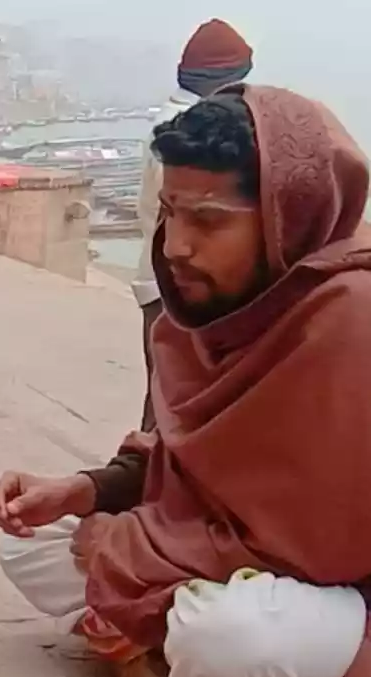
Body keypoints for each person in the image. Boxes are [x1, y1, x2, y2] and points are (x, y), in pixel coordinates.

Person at [0, 86, 371, 677]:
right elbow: (191, 463)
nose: (176, 247)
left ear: (286, 218)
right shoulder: (214, 314)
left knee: (227, 639)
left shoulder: (347, 320)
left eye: (208, 221)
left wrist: (123, 547)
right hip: (234, 558)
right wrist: (83, 492)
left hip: (345, 593)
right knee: (31, 547)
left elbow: (315, 546)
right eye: (168, 214)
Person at [130, 19, 253, 432]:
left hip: (157, 275)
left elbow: (146, 209)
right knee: (177, 399)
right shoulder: (194, 131)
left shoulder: (166, 123)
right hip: (178, 284)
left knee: (166, 395)